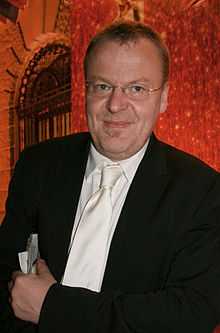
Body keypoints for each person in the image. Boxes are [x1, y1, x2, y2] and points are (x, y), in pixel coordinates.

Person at [0, 21, 220, 333]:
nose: (116, 105)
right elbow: (6, 273)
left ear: (165, 98)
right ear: (86, 90)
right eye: (103, 86)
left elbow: (191, 314)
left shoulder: (203, 191)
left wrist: (54, 307)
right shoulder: (38, 164)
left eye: (137, 89)